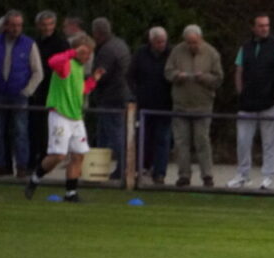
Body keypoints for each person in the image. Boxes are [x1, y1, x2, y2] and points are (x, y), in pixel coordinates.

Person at [24, 34, 104, 202]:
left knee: (79, 154)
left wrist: (93, 80)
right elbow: (52, 62)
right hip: (60, 115)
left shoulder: (79, 68)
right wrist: (72, 53)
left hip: (76, 117)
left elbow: (80, 90)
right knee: (58, 155)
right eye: (85, 52)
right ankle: (35, 178)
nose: (88, 56)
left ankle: (70, 193)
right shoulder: (66, 64)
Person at [0, 10, 43, 178]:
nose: (16, 28)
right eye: (13, 25)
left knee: (21, 131)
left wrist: (28, 91)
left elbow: (38, 72)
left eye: (19, 25)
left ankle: (22, 166)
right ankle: (0, 165)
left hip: (19, 94)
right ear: (6, 25)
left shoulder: (29, 44)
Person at [228, 14, 274, 190]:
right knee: (242, 140)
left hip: (270, 101)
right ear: (253, 27)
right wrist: (241, 92)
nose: (264, 28)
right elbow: (239, 70)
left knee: (270, 141)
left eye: (267, 25)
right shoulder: (246, 47)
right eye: (261, 25)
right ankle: (242, 174)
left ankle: (268, 176)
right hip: (248, 102)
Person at [165, 25, 223, 188]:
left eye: (195, 42)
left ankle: (207, 175)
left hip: (203, 105)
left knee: (202, 141)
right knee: (181, 142)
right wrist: (177, 76)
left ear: (201, 39)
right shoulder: (176, 52)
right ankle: (183, 175)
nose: (192, 46)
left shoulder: (212, 53)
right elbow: (168, 72)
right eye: (189, 43)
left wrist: (204, 78)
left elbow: (219, 79)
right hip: (181, 106)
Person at [128, 27, 173, 185]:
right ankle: (143, 168)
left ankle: (160, 172)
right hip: (145, 104)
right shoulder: (140, 54)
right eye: (158, 42)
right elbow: (131, 75)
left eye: (163, 42)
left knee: (163, 139)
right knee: (144, 138)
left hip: (165, 104)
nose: (162, 45)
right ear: (151, 41)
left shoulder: (171, 54)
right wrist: (135, 94)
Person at [91, 18, 131, 180]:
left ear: (97, 33)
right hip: (120, 94)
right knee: (108, 134)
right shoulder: (120, 44)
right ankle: (100, 169)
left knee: (113, 135)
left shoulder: (106, 50)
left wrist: (87, 80)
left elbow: (101, 75)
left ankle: (121, 169)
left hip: (111, 97)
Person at [28, 11, 69, 172]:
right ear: (39, 26)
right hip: (37, 89)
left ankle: (44, 162)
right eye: (44, 25)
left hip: (52, 90)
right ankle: (33, 160)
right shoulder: (34, 42)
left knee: (47, 129)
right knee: (34, 128)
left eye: (50, 24)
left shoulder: (60, 43)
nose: (47, 28)